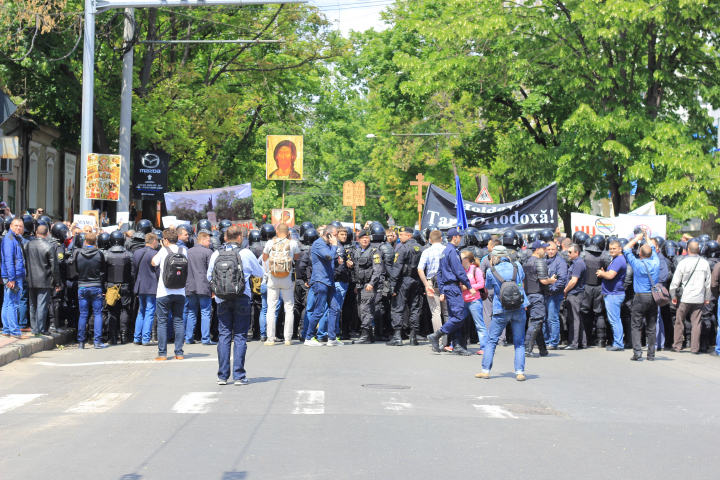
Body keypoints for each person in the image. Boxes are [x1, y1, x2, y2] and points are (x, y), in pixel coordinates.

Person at [208, 226, 263, 385]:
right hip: (242, 297)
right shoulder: (246, 253)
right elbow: (259, 273)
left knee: (224, 335)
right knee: (240, 335)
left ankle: (222, 376)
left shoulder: (216, 254)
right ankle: (239, 376)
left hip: (222, 299)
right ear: (240, 238)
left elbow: (208, 276)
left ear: (225, 238)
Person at [474, 245, 530, 381]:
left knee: (491, 341)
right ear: (507, 255)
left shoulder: (491, 271)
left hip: (501, 309)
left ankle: (485, 371)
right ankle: (520, 372)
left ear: (493, 257)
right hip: (519, 307)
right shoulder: (517, 266)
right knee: (519, 343)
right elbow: (521, 279)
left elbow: (488, 287)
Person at [427, 228, 476, 355]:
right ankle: (437, 335)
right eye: (460, 236)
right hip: (453, 287)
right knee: (459, 317)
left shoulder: (445, 251)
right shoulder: (452, 252)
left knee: (455, 317)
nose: (461, 239)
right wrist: (469, 285)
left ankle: (457, 345)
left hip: (449, 288)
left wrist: (443, 289)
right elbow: (459, 271)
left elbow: (439, 272)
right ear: (454, 237)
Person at [151, 228, 188, 361]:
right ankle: (179, 352)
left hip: (164, 292)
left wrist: (162, 248)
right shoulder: (183, 251)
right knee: (178, 321)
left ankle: (162, 353)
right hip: (180, 291)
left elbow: (153, 262)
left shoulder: (163, 250)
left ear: (165, 240)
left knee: (162, 322)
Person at [623, 230, 661, 361]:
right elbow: (652, 247)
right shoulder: (656, 262)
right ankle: (651, 354)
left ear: (640, 253)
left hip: (640, 296)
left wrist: (637, 238)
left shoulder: (637, 263)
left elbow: (626, 249)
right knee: (651, 326)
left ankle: (637, 352)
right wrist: (646, 237)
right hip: (653, 296)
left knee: (636, 325)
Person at [669, 240, 711, 354]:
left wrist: (673, 295)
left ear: (687, 250)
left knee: (679, 322)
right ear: (698, 250)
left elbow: (675, 281)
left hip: (684, 298)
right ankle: (695, 348)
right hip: (699, 297)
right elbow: (708, 283)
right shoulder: (704, 263)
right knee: (696, 323)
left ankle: (677, 346)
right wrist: (707, 297)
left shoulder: (683, 263)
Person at [263, 222, 301, 345]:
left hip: (273, 277)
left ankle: (270, 338)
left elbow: (264, 258)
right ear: (288, 232)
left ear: (277, 231)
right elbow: (296, 257)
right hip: (287, 277)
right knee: (289, 307)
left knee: (271, 308)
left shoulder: (270, 243)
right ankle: (288, 338)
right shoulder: (293, 243)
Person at [386, 226, 423, 346]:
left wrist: (393, 285)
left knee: (398, 307)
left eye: (401, 235)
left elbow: (397, 268)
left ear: (409, 236)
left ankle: (397, 336)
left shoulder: (403, 248)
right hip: (416, 281)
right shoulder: (421, 248)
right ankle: (413, 337)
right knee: (414, 308)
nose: (399, 237)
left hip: (404, 280)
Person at [304, 224, 340, 346]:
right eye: (334, 236)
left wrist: (337, 260)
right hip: (320, 281)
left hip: (329, 281)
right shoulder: (318, 243)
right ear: (328, 234)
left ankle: (332, 338)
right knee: (319, 310)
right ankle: (308, 337)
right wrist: (334, 246)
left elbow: (329, 259)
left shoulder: (328, 245)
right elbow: (328, 256)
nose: (336, 239)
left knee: (335, 308)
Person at [24, 225, 61, 336]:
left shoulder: (27, 245)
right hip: (44, 280)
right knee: (42, 306)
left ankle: (35, 329)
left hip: (31, 279)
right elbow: (54, 267)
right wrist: (57, 282)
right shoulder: (49, 246)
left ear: (35, 232)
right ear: (47, 234)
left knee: (32, 305)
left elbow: (25, 263)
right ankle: (40, 329)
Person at [74, 232, 107, 349]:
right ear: (95, 242)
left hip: (82, 286)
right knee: (98, 313)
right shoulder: (99, 253)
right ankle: (97, 341)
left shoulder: (78, 253)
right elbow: (103, 270)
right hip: (96, 286)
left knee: (83, 314)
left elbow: (76, 269)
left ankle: (81, 343)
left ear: (85, 241)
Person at [351, 228, 384, 343]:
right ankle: (370, 336)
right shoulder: (357, 251)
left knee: (366, 309)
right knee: (361, 311)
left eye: (367, 238)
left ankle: (365, 336)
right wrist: (356, 284)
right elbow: (356, 269)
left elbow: (378, 269)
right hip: (360, 285)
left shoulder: (374, 251)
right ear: (358, 239)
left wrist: (372, 283)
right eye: (363, 238)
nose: (365, 239)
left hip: (368, 285)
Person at [417, 230, 448, 348]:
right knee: (447, 312)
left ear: (429, 240)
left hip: (432, 283)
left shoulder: (426, 251)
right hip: (446, 283)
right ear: (441, 239)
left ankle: (438, 341)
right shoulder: (447, 250)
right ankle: (447, 341)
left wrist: (426, 284)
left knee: (435, 313)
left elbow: (420, 269)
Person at [185, 231, 216, 345]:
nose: (210, 243)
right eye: (208, 241)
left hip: (190, 286)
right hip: (204, 286)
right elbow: (211, 271)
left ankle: (188, 338)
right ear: (202, 240)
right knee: (205, 312)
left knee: (191, 312)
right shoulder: (208, 252)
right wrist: (213, 289)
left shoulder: (187, 252)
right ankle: (205, 338)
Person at [524, 240, 554, 358]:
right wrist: (552, 280)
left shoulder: (526, 262)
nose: (546, 251)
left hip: (529, 295)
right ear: (537, 250)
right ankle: (527, 349)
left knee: (538, 322)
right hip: (537, 296)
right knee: (536, 323)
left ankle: (542, 349)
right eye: (544, 249)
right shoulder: (539, 262)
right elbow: (543, 280)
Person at [597, 239, 627, 351]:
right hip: (613, 294)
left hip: (614, 294)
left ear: (620, 249)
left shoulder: (619, 260)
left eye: (614, 249)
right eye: (610, 249)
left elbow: (610, 276)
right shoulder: (616, 259)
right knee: (615, 320)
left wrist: (601, 273)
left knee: (615, 320)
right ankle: (618, 342)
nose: (612, 251)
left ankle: (618, 344)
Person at [105, 230, 134, 345]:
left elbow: (103, 272)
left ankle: (113, 337)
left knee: (112, 310)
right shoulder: (128, 254)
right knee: (124, 309)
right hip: (125, 285)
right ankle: (123, 336)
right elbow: (132, 272)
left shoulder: (106, 254)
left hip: (111, 285)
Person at [1, 218, 27, 339]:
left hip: (12, 276)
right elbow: (8, 260)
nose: (18, 228)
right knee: (13, 303)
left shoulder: (15, 238)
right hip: (13, 277)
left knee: (7, 303)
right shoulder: (9, 239)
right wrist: (11, 278)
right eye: (16, 226)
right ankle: (15, 331)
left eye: (20, 226)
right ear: (10, 226)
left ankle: (6, 330)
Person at [583, 235, 610, 347]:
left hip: (587, 287)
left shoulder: (583, 255)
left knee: (586, 313)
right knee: (600, 313)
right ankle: (601, 340)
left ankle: (587, 339)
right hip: (600, 287)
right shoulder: (605, 256)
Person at [132, 233, 159, 346]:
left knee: (141, 311)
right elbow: (158, 272)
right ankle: (145, 338)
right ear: (154, 241)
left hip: (140, 285)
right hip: (151, 286)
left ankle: (137, 337)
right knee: (149, 312)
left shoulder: (136, 253)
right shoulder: (155, 253)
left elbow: (133, 271)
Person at [460, 250, 486, 354]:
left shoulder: (476, 270)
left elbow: (481, 284)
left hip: (474, 301)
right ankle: (456, 344)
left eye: (460, 258)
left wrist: (467, 287)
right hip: (463, 301)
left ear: (466, 260)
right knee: (458, 322)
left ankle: (484, 348)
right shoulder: (461, 270)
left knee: (479, 325)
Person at [544, 240, 567, 349]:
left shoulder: (560, 262)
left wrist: (552, 290)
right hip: (546, 294)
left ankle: (553, 342)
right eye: (548, 249)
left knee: (553, 318)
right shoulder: (544, 260)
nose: (550, 251)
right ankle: (547, 340)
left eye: (552, 249)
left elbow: (562, 279)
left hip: (554, 294)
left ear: (557, 249)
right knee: (547, 318)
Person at [563, 244, 587, 350]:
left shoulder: (578, 263)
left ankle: (574, 343)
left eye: (570, 252)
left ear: (576, 252)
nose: (568, 254)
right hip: (575, 294)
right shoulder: (576, 262)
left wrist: (565, 291)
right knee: (577, 318)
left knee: (574, 319)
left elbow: (573, 281)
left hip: (575, 294)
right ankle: (582, 342)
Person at [48, 223, 69, 332]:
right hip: (58, 276)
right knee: (56, 300)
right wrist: (69, 261)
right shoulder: (59, 245)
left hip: (50, 276)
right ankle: (54, 325)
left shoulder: (49, 242)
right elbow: (60, 261)